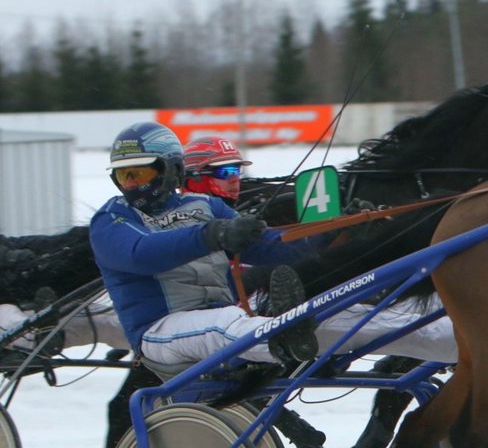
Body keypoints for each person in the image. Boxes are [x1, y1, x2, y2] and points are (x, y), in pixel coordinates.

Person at [89, 121, 323, 377]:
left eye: (140, 174)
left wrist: (336, 235)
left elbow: (269, 247)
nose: (132, 185)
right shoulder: (111, 219)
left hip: (220, 316)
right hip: (158, 330)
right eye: (125, 176)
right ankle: (284, 337)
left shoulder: (207, 206)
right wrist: (212, 235)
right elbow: (141, 254)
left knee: (330, 314)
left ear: (172, 170)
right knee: (224, 325)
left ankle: (318, 335)